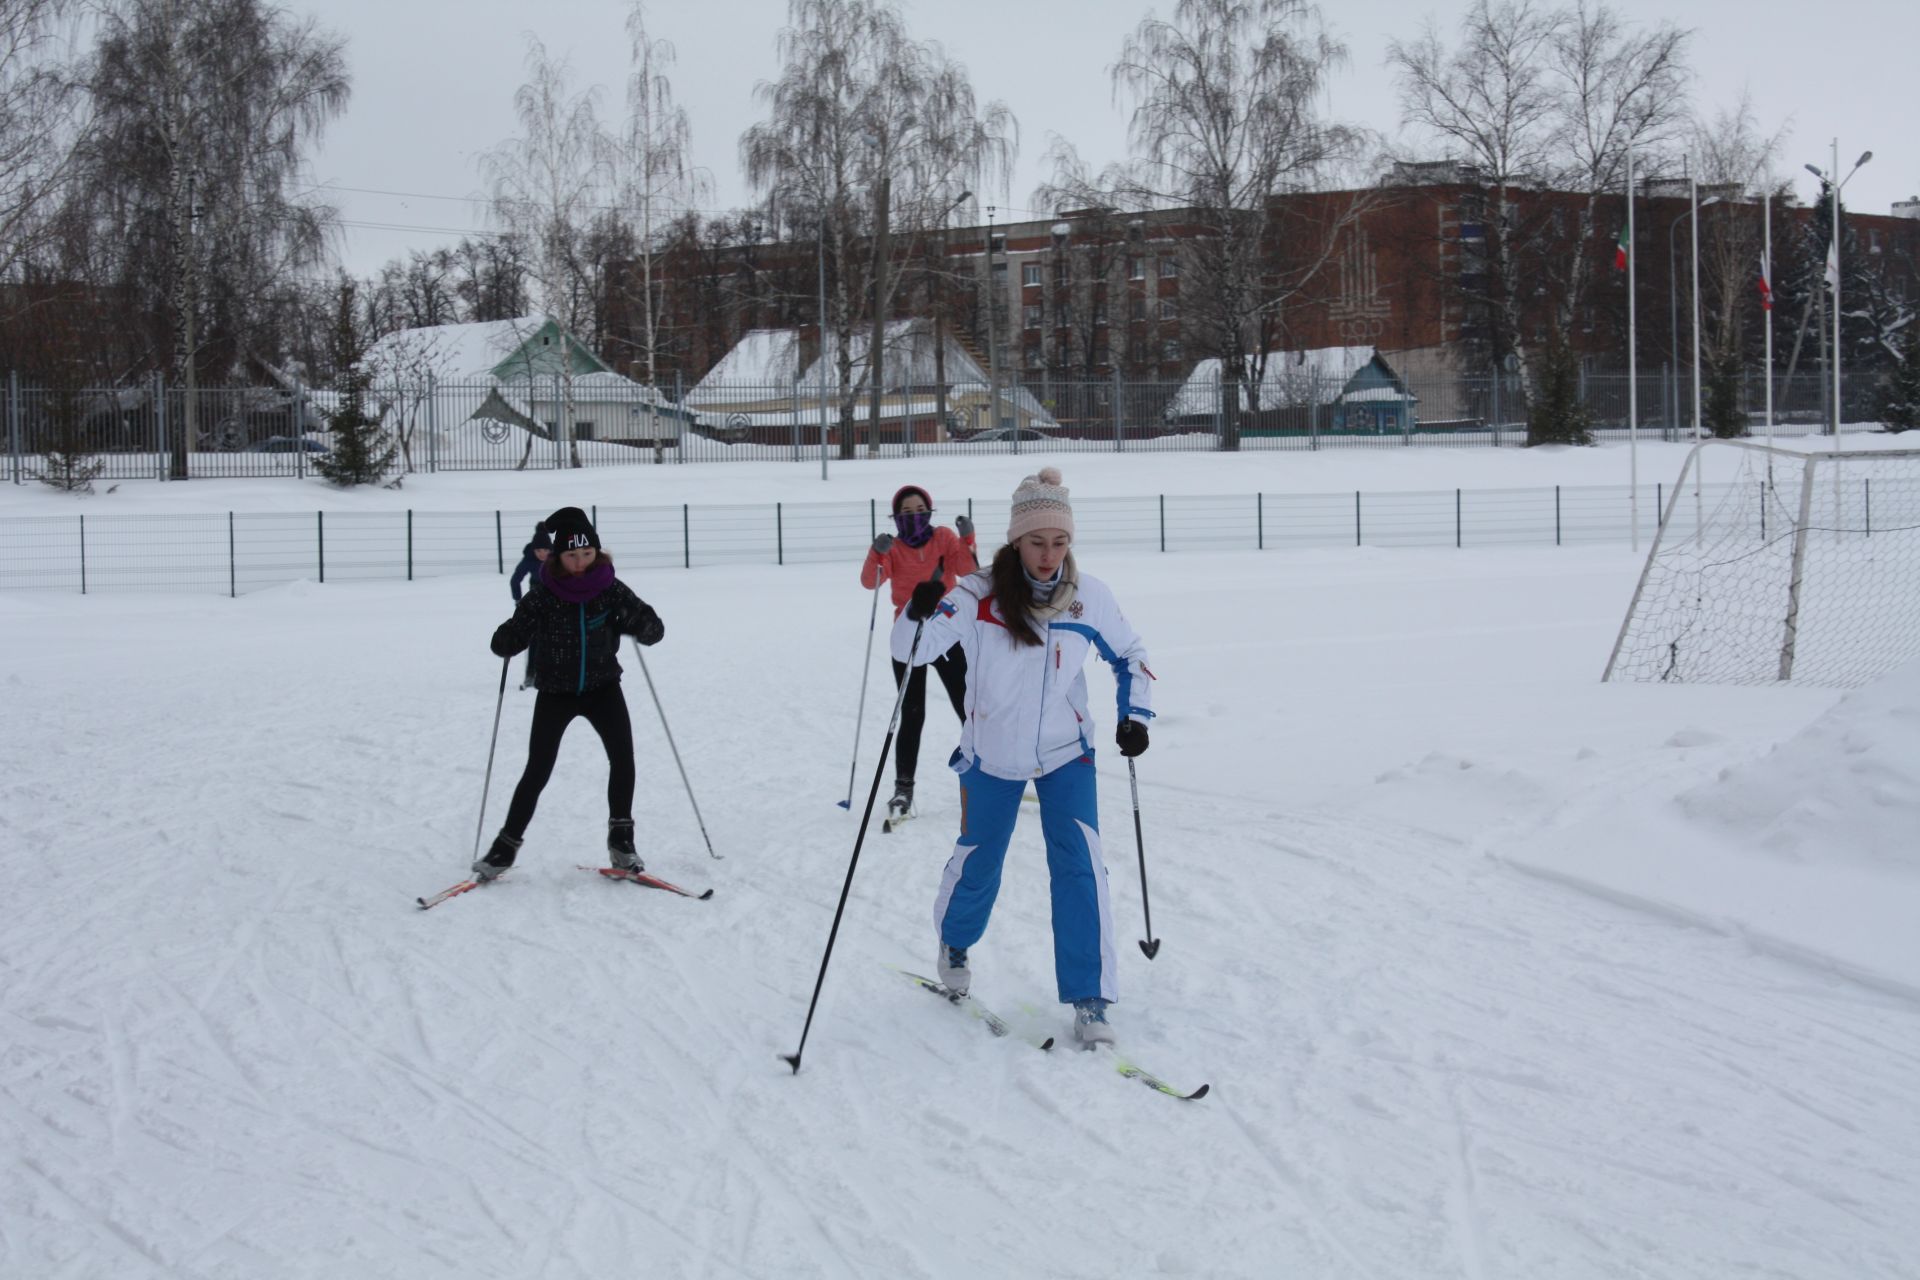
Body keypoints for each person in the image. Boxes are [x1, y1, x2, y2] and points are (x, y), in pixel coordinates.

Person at [893, 468, 1153, 1047]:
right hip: (993, 752)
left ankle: (1091, 999)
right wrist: (919, 609)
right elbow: (910, 649)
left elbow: (1132, 656)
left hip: (1067, 751)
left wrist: (1135, 714)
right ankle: (956, 938)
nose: (1049, 555)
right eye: (1037, 542)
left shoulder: (1089, 598)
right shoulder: (977, 594)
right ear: (1016, 540)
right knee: (982, 860)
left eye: (1060, 542)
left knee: (1080, 867)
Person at [476, 506, 665, 882]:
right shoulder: (545, 593)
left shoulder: (609, 587)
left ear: (597, 552)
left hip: (603, 688)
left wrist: (642, 625)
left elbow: (652, 625)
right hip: (556, 692)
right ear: (559, 558)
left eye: (587, 554)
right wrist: (507, 640)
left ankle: (622, 843)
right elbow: (512, 632)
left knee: (623, 761)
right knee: (538, 769)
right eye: (572, 555)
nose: (581, 563)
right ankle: (504, 848)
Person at [860, 484, 978, 822]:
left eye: (919, 510)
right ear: (897, 517)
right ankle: (903, 789)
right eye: (906, 513)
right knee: (911, 713)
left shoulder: (943, 539)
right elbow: (870, 582)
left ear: (929, 511)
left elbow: (969, 570)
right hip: (908, 635)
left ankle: (988, 774)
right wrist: (875, 552)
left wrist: (967, 540)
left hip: (948, 631)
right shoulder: (894, 547)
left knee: (967, 706)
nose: (914, 517)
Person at [508, 523, 552, 689]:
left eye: (545, 550)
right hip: (535, 600)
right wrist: (519, 601)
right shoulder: (529, 559)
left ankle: (553, 672)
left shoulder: (557, 558)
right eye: (538, 551)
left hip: (556, 598)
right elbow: (515, 580)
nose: (542, 554)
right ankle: (531, 675)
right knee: (535, 636)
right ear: (533, 550)